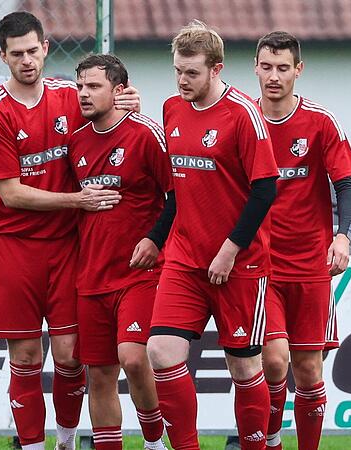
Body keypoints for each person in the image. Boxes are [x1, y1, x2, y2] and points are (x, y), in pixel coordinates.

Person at [0, 12, 139, 450]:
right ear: (2, 56)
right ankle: (30, 445)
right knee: (26, 357)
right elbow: (10, 194)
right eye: (16, 54)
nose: (26, 61)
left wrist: (127, 105)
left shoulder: (71, 96)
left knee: (70, 355)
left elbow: (111, 124)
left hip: (67, 246)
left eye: (33, 50)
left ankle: (66, 440)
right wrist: (77, 201)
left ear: (46, 48)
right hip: (14, 244)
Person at [146, 20, 279, 450]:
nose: (182, 81)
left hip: (239, 263)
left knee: (243, 368)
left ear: (216, 68)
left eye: (192, 73)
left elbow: (265, 190)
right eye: (178, 71)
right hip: (184, 257)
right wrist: (156, 237)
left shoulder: (243, 115)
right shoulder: (171, 108)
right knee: (161, 353)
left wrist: (229, 250)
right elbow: (178, 188)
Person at [254, 31, 351, 450]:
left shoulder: (320, 122)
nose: (274, 76)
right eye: (266, 67)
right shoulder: (243, 118)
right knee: (273, 360)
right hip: (258, 263)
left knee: (308, 369)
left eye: (283, 68)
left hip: (309, 264)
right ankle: (273, 439)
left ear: (298, 70)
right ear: (255, 68)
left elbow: (345, 185)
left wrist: (343, 237)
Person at [68, 54, 173, 450]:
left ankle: (153, 441)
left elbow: (177, 196)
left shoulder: (146, 133)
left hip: (139, 273)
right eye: (80, 86)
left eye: (93, 87)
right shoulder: (75, 141)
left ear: (119, 91)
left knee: (132, 357)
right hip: (91, 275)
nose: (83, 94)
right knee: (99, 374)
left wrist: (155, 240)